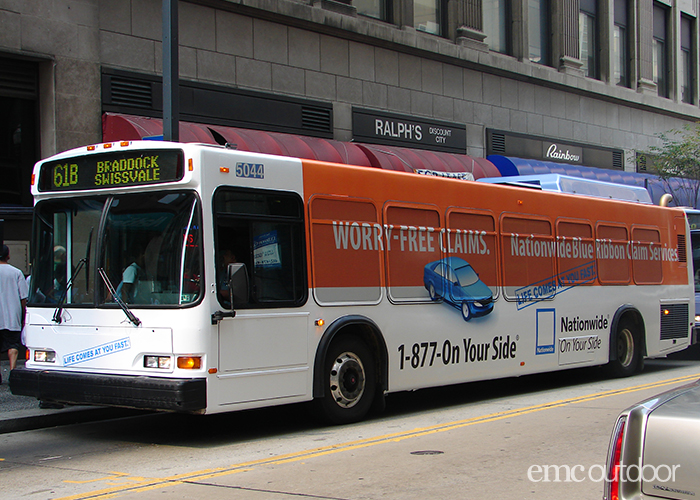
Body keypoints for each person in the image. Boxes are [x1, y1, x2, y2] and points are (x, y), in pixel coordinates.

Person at [0, 245, 29, 384]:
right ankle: (12, 372)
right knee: (13, 345)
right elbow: (23, 296)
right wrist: (25, 313)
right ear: (8, 256)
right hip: (12, 315)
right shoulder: (16, 272)